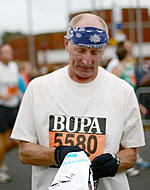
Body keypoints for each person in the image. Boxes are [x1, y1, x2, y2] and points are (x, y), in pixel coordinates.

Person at [11, 13, 145, 190]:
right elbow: (25, 152)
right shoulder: (38, 88)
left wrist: (116, 163)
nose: (87, 60)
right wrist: (57, 155)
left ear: (104, 49)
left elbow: (131, 153)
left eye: (95, 52)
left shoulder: (123, 91)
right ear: (67, 44)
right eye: (80, 50)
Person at [0, 44, 22, 183]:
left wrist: (20, 94)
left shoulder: (14, 65)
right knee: (2, 141)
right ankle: (1, 168)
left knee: (16, 140)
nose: (10, 53)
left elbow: (14, 85)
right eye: (7, 52)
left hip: (14, 105)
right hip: (1, 107)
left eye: (11, 51)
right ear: (0, 54)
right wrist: (2, 97)